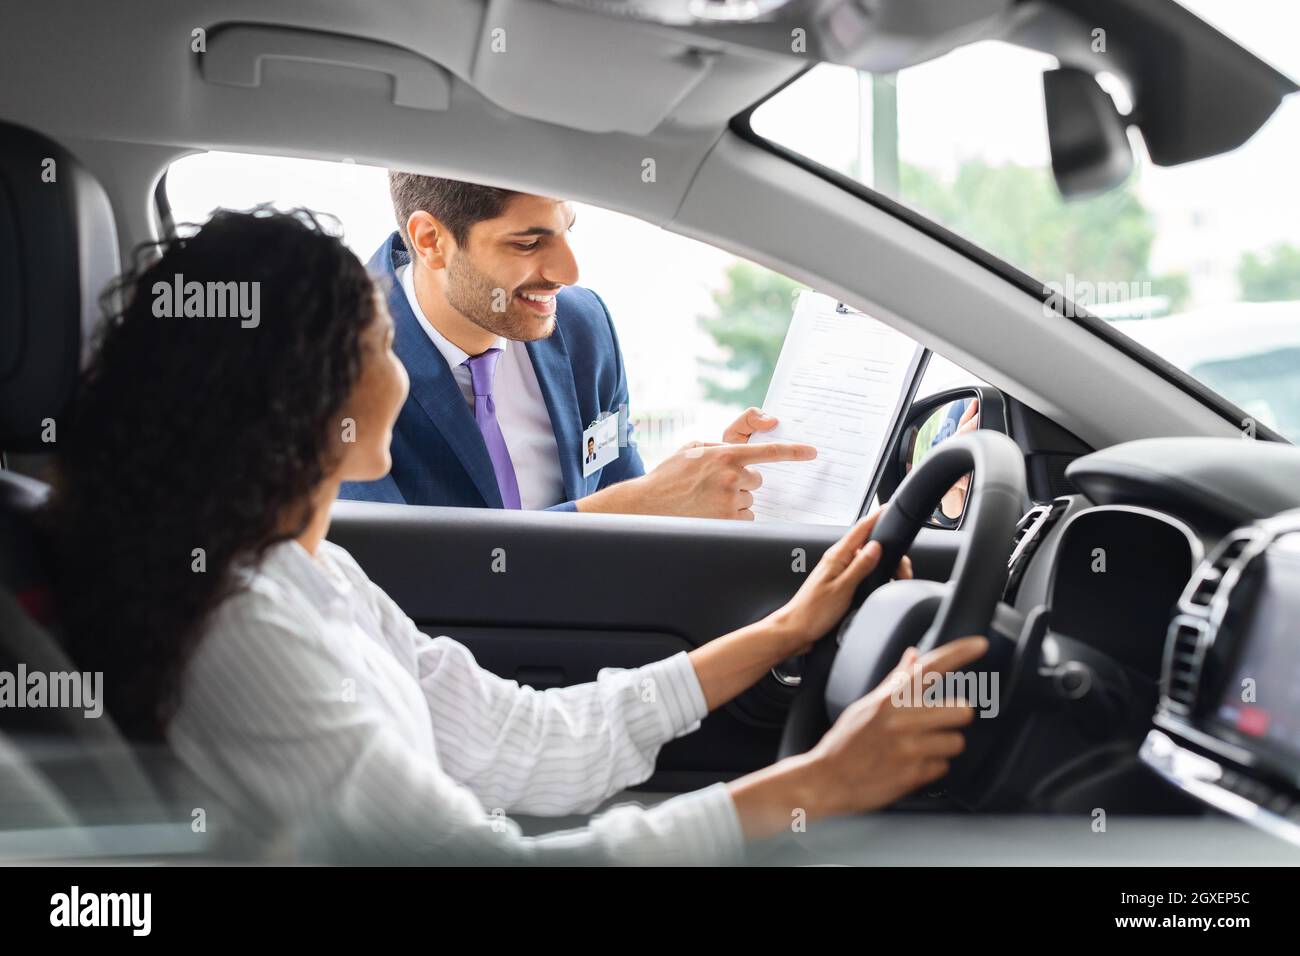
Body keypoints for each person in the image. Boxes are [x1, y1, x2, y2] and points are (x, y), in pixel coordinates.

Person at [46, 208, 987, 865]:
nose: (402, 370)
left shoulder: (313, 572)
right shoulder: (245, 636)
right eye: (377, 343)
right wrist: (816, 786)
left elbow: (527, 737)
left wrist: (783, 631)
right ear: (297, 393)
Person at [338, 173, 815, 520]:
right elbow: (390, 573)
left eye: (567, 229)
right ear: (430, 241)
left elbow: (624, 496)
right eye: (528, 244)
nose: (568, 273)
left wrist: (696, 485)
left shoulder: (583, 325)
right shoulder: (335, 359)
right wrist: (638, 504)